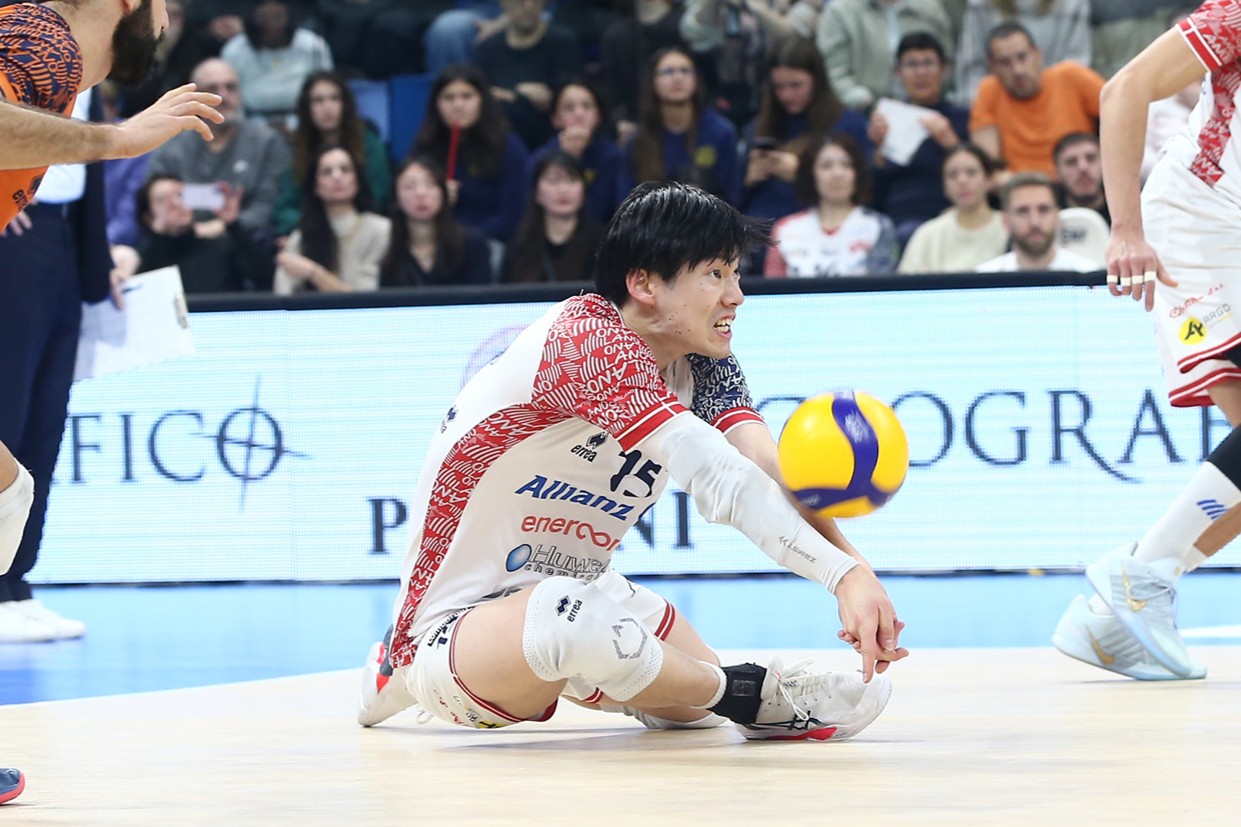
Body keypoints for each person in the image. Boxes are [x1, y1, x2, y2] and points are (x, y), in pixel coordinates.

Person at [357, 180, 908, 738]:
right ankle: (756, 695)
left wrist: (856, 573)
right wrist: (839, 577)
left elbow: (766, 468)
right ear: (644, 283)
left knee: (690, 710)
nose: (736, 295)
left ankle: (655, 676)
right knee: (569, 620)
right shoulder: (585, 342)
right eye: (715, 274)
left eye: (737, 273)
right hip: (459, 622)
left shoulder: (704, 361)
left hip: (583, 590)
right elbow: (721, 479)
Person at [1052, 0, 1241, 681]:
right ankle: (1144, 574)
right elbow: (1122, 89)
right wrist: (1124, 228)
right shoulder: (1235, 19)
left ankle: (1111, 618)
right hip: (1192, 225)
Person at [145, 58, 292, 259]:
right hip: (181, 245)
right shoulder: (172, 143)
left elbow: (267, 205)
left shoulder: (267, 142)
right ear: (195, 98)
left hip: (245, 246)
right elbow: (154, 198)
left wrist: (221, 226)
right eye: (212, 88)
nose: (223, 95)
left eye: (230, 87)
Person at [742, 36, 870, 224]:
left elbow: (865, 190)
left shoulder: (849, 125)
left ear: (817, 81)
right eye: (778, 87)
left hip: (821, 223)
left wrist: (804, 174)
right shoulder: (759, 126)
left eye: (796, 85)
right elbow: (733, 198)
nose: (787, 95)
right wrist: (749, 179)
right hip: (758, 224)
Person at [868, 32, 970, 246]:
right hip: (897, 219)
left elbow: (978, 177)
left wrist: (952, 143)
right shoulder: (886, 120)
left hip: (949, 216)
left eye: (928, 63)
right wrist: (878, 152)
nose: (921, 73)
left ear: (944, 69)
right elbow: (871, 195)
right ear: (898, 72)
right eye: (912, 65)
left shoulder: (962, 119)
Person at [969, 22, 1105, 180]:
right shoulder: (989, 91)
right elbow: (987, 162)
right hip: (1019, 186)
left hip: (1078, 180)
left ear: (1038, 54)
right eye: (1005, 62)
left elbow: (1120, 111)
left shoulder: (1070, 76)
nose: (1017, 70)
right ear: (992, 67)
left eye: (1022, 57)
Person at [411, 63, 529, 243]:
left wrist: (464, 239)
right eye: (448, 98)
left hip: (491, 241)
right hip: (435, 241)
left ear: (482, 100)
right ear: (436, 104)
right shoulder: (424, 147)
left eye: (467, 96)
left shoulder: (507, 147)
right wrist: (434, 199)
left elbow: (512, 216)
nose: (458, 105)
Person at [273, 71, 392, 238]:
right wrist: (315, 225)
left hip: (361, 230)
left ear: (345, 104)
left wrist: (340, 223)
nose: (327, 107)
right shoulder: (301, 149)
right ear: (307, 108)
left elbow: (377, 199)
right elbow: (285, 209)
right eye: (318, 100)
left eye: (334, 98)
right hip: (314, 234)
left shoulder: (370, 145)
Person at [619, 47, 741, 206]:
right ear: (652, 82)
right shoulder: (637, 140)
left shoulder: (721, 132)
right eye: (667, 72)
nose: (677, 78)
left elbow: (733, 195)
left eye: (685, 71)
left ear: (697, 79)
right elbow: (627, 203)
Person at [765, 132, 899, 277]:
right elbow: (773, 285)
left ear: (857, 173)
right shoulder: (785, 229)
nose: (837, 174)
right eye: (826, 166)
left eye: (846, 165)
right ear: (811, 175)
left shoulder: (878, 226)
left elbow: (882, 285)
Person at [274, 145, 390, 294]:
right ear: (315, 186)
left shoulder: (380, 230)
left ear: (357, 180)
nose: (337, 176)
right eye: (327, 172)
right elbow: (283, 294)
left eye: (345, 170)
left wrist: (313, 272)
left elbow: (366, 299)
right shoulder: (300, 238)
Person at [473, 0, 584, 152]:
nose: (529, 6)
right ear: (504, 4)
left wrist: (547, 98)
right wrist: (519, 95)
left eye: (535, 1)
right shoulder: (488, 48)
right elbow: (480, 93)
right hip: (499, 137)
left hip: (552, 137)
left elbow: (573, 95)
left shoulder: (563, 41)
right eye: (520, 1)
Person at [815, 0, 955, 112]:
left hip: (929, 110)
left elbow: (948, 61)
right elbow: (833, 73)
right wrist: (869, 106)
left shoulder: (929, 7)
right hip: (862, 112)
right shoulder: (840, 11)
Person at [379, 156, 493, 287]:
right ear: (396, 198)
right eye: (409, 186)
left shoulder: (472, 245)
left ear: (443, 193)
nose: (421, 193)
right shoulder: (387, 252)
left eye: (430, 184)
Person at [898, 143, 1008, 273]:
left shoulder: (1010, 228)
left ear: (989, 179)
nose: (962, 181)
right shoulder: (927, 235)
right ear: (944, 186)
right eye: (953, 175)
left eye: (971, 173)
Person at [955, 0, 1092, 104]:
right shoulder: (979, 5)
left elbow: (1076, 66)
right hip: (998, 107)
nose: (1018, 70)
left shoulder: (1073, 4)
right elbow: (971, 73)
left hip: (1056, 106)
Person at [219, 0, 332, 123]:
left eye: (277, 17)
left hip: (305, 121)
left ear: (289, 17)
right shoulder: (235, 50)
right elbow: (229, 96)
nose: (271, 25)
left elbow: (327, 89)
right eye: (264, 18)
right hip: (251, 122)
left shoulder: (313, 46)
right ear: (252, 18)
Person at [528, 80, 623, 225]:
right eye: (569, 108)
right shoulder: (539, 159)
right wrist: (567, 157)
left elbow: (603, 212)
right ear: (555, 119)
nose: (579, 114)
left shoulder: (613, 157)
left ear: (598, 115)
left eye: (587, 106)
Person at [502, 150, 604, 282]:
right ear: (536, 193)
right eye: (553, 181)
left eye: (571, 180)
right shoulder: (518, 246)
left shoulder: (602, 242)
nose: (563, 189)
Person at [975, 172, 1097, 272]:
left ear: (1057, 217)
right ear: (1005, 221)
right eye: (1023, 211)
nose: (1035, 222)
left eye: (1043, 210)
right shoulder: (982, 283)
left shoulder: (1089, 279)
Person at [1052, 132, 1109, 223]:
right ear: (1057, 173)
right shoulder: (1050, 220)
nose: (1083, 168)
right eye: (1071, 162)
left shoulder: (1125, 210)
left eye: (1091, 158)